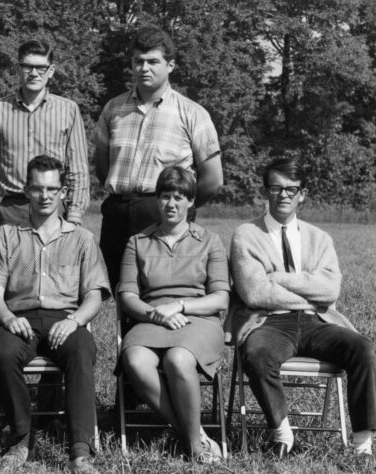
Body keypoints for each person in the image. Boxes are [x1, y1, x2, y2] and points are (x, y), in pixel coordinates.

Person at [230, 157, 376, 458]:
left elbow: (330, 289)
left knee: (364, 348)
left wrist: (279, 279)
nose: (283, 195)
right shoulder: (245, 235)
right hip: (267, 322)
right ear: (266, 191)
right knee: (257, 354)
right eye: (276, 188)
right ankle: (283, 434)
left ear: (303, 194)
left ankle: (362, 444)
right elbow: (255, 293)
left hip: (317, 321)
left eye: (291, 189)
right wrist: (309, 289)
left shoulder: (320, 239)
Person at [0, 156, 110, 473]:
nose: (45, 196)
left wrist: (75, 321)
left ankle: (80, 451)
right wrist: (7, 318)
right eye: (38, 188)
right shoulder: (7, 236)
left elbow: (94, 295)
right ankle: (21, 438)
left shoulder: (81, 238)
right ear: (26, 190)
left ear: (63, 192)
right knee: (2, 351)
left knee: (83, 350)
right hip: (19, 318)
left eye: (52, 189)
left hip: (65, 320)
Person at [93, 26, 222, 289]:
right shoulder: (113, 108)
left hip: (162, 213)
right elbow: (103, 166)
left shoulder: (192, 113)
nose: (144, 68)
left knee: (160, 288)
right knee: (117, 290)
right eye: (138, 61)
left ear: (170, 65)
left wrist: (185, 204)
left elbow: (213, 179)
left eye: (153, 61)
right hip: (118, 213)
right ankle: (122, 332)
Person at [117, 166, 229, 464]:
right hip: (151, 318)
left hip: (197, 319)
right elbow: (127, 296)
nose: (171, 204)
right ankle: (193, 433)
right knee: (135, 360)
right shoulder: (137, 242)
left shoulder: (210, 241)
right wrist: (157, 314)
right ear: (157, 199)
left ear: (191, 201)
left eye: (179, 197)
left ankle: (194, 443)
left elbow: (220, 298)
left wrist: (179, 306)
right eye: (165, 196)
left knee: (178, 359)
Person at [0, 39, 90, 247]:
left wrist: (74, 219)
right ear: (18, 69)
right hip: (12, 210)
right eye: (27, 66)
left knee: (54, 276)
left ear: (51, 70)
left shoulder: (68, 110)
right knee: (10, 276)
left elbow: (78, 170)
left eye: (41, 67)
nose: (34, 73)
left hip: (53, 207)